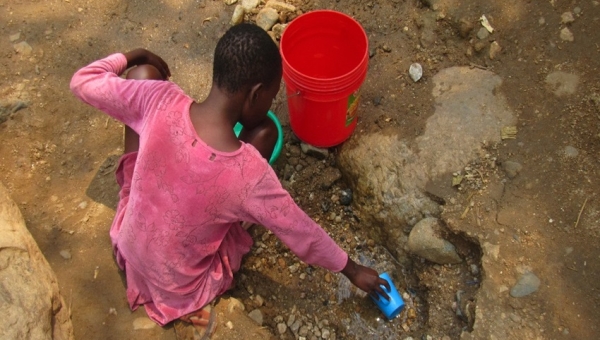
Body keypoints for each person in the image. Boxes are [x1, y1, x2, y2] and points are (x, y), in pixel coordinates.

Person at [70, 23, 388, 338]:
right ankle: (195, 317)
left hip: (129, 245)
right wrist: (353, 270)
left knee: (142, 75)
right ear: (255, 94)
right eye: (271, 95)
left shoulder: (159, 98)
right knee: (266, 134)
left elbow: (82, 82)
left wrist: (135, 55)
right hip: (177, 286)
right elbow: (299, 231)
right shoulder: (247, 173)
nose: (270, 104)